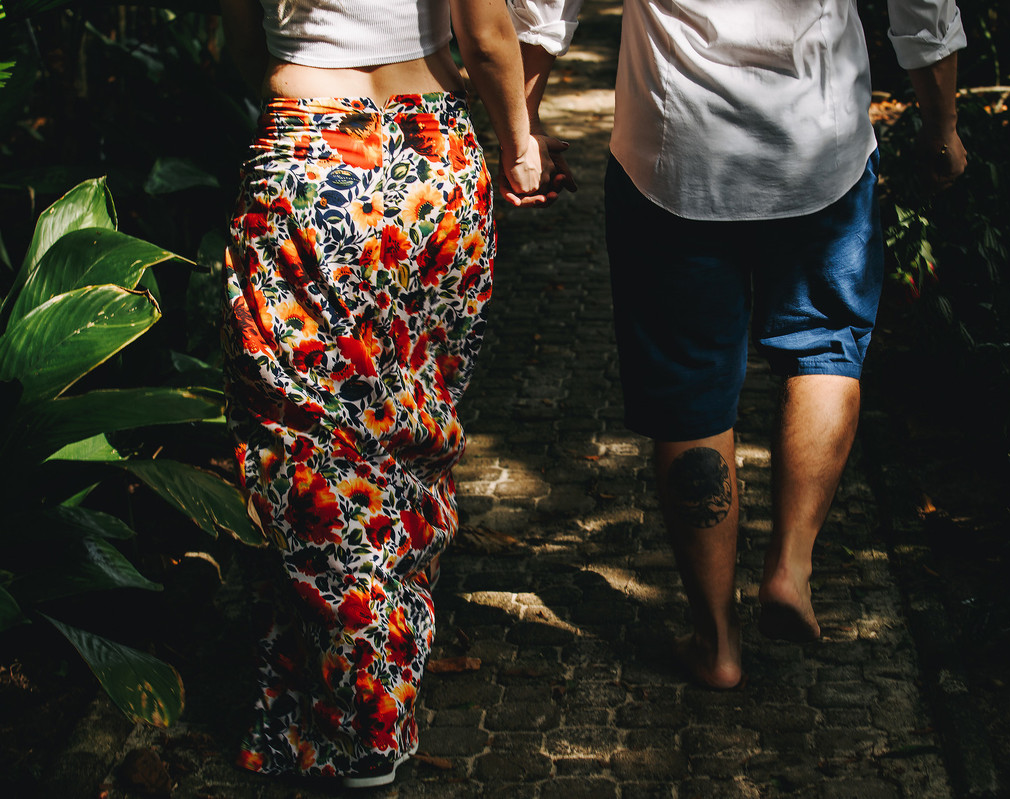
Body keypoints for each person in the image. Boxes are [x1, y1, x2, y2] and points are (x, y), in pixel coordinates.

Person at [510, 0, 967, 689]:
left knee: (688, 382)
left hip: (672, 154)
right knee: (825, 346)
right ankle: (791, 564)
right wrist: (943, 127)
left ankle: (716, 640)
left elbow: (545, 7)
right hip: (821, 150)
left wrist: (524, 125)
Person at [218, 0, 570, 787]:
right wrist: (519, 145)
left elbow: (239, 43)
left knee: (306, 433)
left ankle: (356, 707)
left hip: (308, 149)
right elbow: (484, 31)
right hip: (432, 158)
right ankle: (361, 684)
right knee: (412, 422)